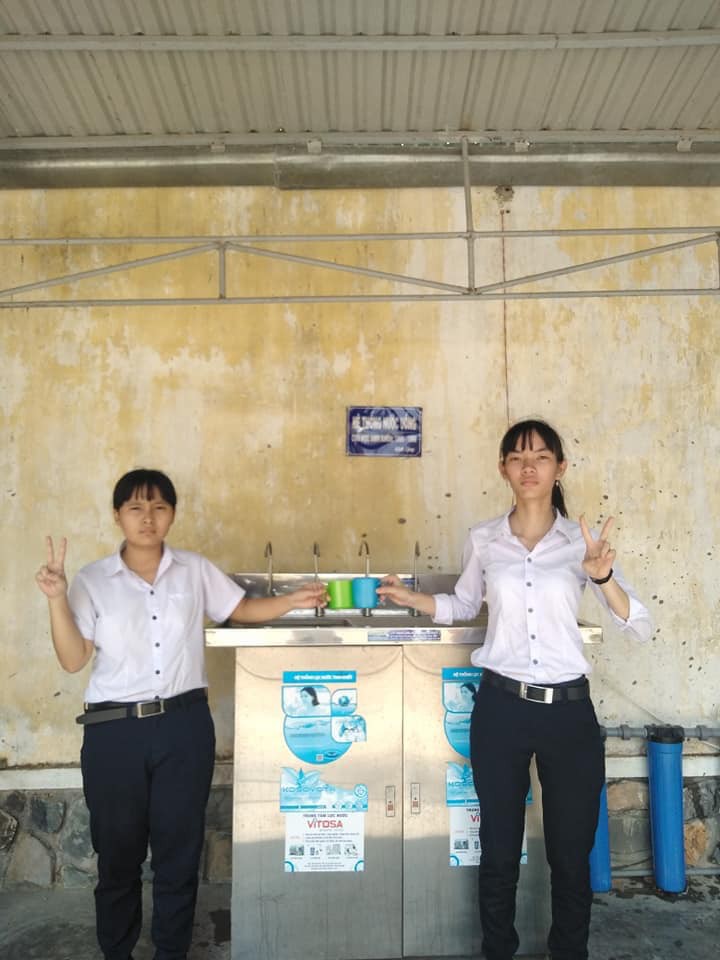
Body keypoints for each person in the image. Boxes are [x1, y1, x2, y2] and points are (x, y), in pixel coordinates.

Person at [378, 419, 651, 960]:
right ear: (503, 468)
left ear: (560, 468)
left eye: (541, 457)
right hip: (500, 708)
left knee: (570, 855)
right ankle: (498, 950)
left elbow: (638, 626)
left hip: (567, 713)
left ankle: (569, 952)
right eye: (518, 457)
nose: (529, 467)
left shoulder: (581, 544)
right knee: (499, 850)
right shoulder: (484, 539)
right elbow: (463, 604)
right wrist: (415, 602)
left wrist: (601, 577)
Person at [35, 468, 327, 960]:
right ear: (117, 516)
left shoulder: (194, 569)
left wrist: (293, 602)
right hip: (114, 733)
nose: (147, 518)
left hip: (183, 727)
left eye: (159, 507)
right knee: (118, 856)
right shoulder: (90, 580)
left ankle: (171, 952)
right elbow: (72, 658)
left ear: (172, 514)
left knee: (178, 853)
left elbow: (239, 610)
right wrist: (56, 598)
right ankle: (117, 952)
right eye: (135, 508)